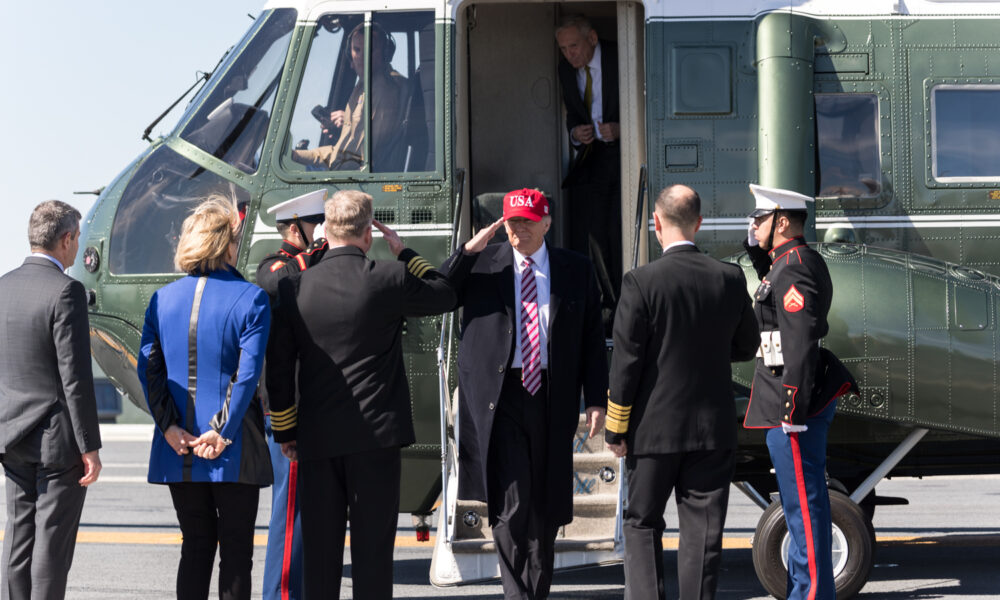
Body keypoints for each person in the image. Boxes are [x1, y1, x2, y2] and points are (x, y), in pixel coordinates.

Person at [265, 190, 456, 599]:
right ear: (368, 232)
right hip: (376, 439)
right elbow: (445, 292)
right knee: (372, 553)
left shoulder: (294, 288)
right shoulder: (389, 278)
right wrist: (405, 254)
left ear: (326, 231)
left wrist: (285, 432)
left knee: (320, 554)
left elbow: (279, 367)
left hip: (317, 441)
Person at [442, 188, 608, 600]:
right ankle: (518, 593)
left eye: (527, 223)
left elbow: (591, 337)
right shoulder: (483, 266)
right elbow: (438, 290)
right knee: (512, 504)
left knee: (545, 507)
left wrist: (596, 398)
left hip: (552, 396)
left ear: (546, 223)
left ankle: (534, 591)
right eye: (512, 223)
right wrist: (467, 251)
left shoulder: (575, 269)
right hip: (502, 397)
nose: (518, 231)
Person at [605, 185, 759, 600]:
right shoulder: (729, 278)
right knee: (703, 534)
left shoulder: (640, 282)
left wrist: (616, 429)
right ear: (700, 223)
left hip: (652, 431)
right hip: (712, 430)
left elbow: (626, 364)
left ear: (656, 223)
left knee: (641, 524)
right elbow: (746, 346)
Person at [138, 195, 272, 600]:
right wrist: (222, 432)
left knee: (195, 546)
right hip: (230, 449)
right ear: (228, 244)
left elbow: (149, 369)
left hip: (178, 447)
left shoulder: (162, 299)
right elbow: (246, 376)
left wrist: (169, 427)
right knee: (236, 553)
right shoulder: (252, 299)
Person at [743, 184, 857, 600]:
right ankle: (803, 591)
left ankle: (811, 595)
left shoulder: (794, 267)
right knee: (799, 511)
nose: (752, 224)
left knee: (804, 511)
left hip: (792, 404)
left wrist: (792, 408)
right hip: (785, 399)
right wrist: (756, 240)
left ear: (784, 221)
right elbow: (766, 280)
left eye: (760, 218)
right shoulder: (786, 263)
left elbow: (800, 342)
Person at [0, 200, 102, 600]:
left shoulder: (3, 287)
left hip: (11, 434)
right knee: (51, 547)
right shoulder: (67, 290)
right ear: (66, 239)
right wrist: (89, 446)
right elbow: (75, 378)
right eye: (77, 239)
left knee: (18, 539)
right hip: (56, 441)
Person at [255, 189, 329, 600]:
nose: (323, 232)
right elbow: (276, 280)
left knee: (314, 515)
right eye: (316, 224)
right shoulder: (278, 264)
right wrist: (321, 251)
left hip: (317, 410)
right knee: (291, 515)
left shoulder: (314, 265)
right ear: (296, 228)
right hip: (292, 413)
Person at [556, 15, 622, 321]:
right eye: (563, 49)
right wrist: (575, 135)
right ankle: (608, 306)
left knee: (617, 229)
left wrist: (623, 129)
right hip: (594, 159)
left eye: (574, 46)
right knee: (595, 233)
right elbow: (572, 116)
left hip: (625, 154)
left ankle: (624, 299)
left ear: (592, 39)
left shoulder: (620, 55)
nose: (570, 54)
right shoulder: (565, 71)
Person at [291, 23, 407, 172]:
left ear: (386, 54)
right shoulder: (364, 87)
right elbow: (344, 154)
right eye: (357, 50)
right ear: (349, 53)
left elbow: (357, 161)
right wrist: (296, 155)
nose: (361, 57)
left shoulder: (382, 90)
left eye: (370, 50)